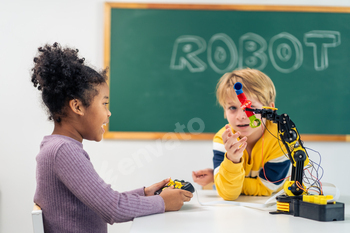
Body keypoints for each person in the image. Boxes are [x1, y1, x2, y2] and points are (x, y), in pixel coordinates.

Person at [32, 42, 193, 233]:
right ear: (77, 107)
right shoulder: (63, 151)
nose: (109, 113)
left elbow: (103, 200)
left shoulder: (58, 147)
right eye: (104, 104)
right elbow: (112, 208)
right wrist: (162, 203)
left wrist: (145, 194)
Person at [192, 68, 290, 201]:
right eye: (232, 108)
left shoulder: (281, 138)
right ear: (225, 111)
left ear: (269, 110)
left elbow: (267, 187)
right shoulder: (222, 139)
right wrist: (232, 160)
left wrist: (219, 180)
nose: (241, 116)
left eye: (250, 108)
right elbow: (229, 194)